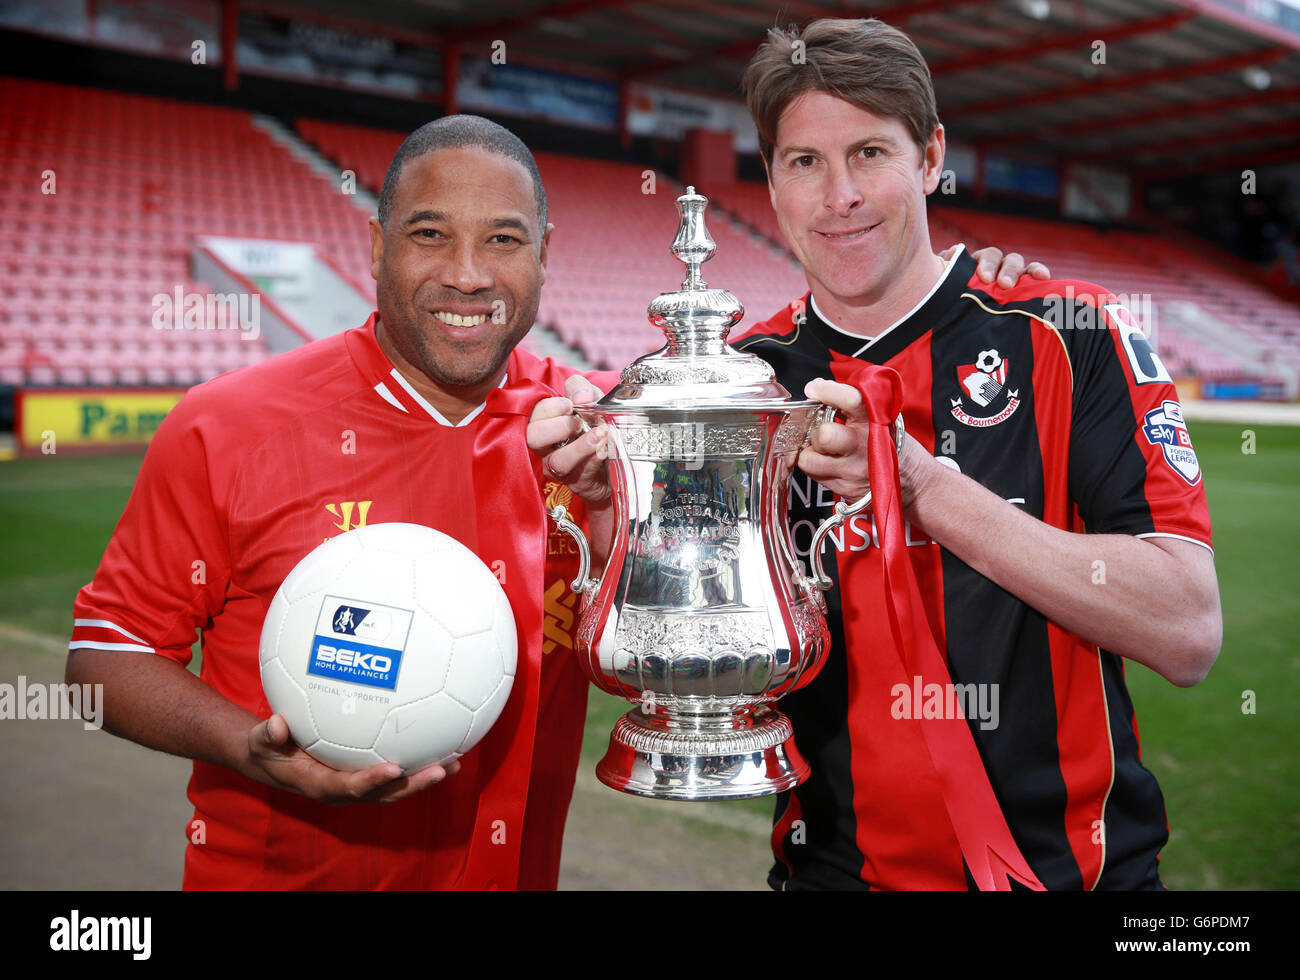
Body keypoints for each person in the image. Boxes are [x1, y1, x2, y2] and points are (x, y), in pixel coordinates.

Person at [68, 106, 1045, 891]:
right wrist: (247, 748)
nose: (466, 275)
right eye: (429, 235)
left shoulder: (597, 430)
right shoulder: (229, 424)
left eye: (502, 240)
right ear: (374, 245)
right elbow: (103, 659)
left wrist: (971, 283)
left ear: (543, 253)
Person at [531, 18, 1221, 891]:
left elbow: (1188, 631)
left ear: (931, 157)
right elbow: (671, 619)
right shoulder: (745, 387)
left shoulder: (1068, 334)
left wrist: (921, 487)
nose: (840, 195)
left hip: (1078, 877)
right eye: (804, 161)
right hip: (828, 873)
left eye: (869, 153)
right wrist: (608, 507)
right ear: (771, 180)